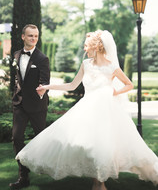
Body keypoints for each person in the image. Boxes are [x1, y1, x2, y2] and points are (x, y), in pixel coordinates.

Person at [16, 30, 158, 190]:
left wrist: (113, 92)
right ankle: (98, 181)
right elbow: (71, 85)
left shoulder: (112, 67)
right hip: (86, 111)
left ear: (96, 47)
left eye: (86, 45)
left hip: (105, 111)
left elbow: (129, 84)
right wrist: (47, 87)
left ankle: (99, 182)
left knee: (102, 145)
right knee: (90, 146)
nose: (84, 49)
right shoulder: (86, 65)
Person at [9, 24, 50, 190]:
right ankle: (23, 176)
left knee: (41, 139)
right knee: (17, 138)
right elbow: (18, 78)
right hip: (19, 104)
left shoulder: (42, 58)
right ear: (23, 37)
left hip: (37, 105)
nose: (33, 39)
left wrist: (41, 91)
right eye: (30, 36)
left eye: (36, 36)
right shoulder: (17, 54)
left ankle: (46, 166)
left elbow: (45, 81)